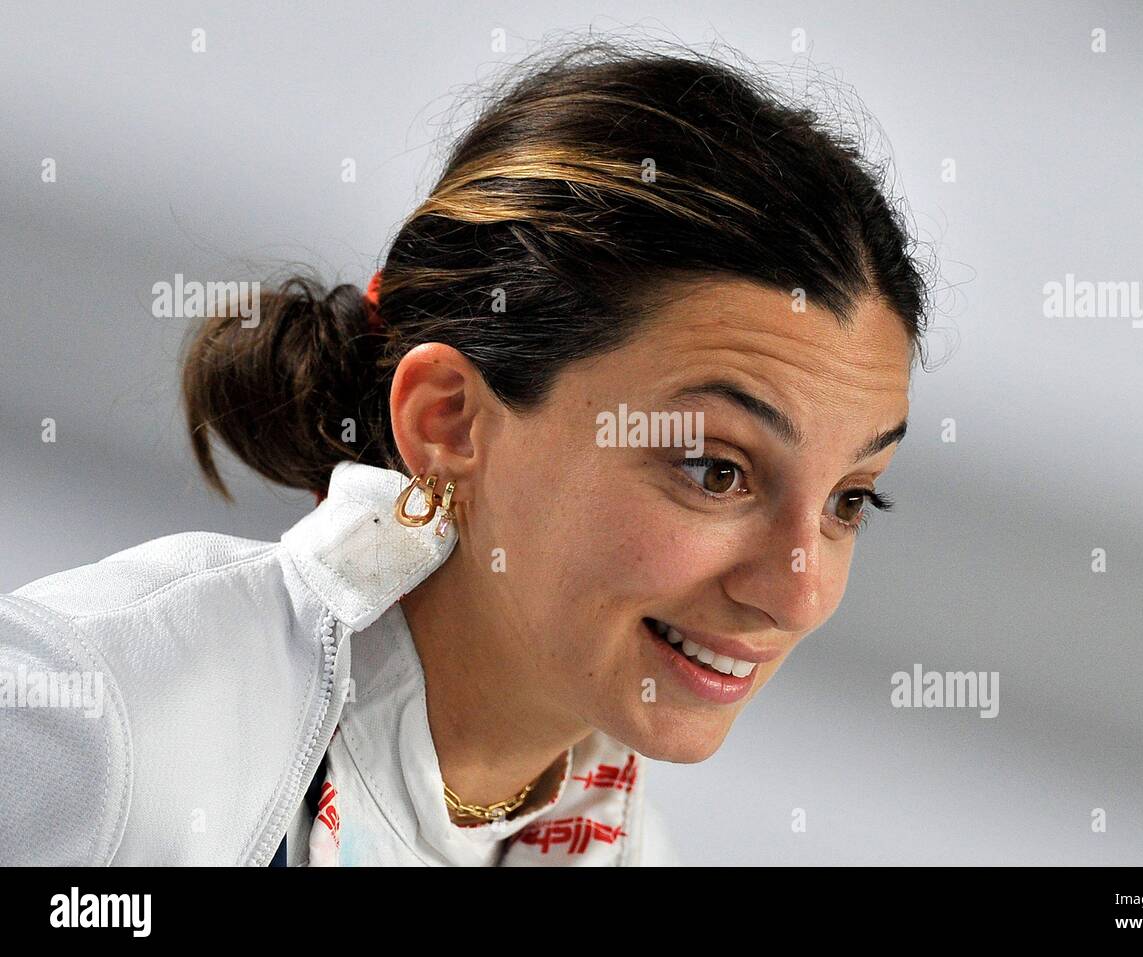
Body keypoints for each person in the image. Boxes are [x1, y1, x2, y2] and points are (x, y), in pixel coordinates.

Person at [0, 39, 929, 866]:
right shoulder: (99, 717)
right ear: (450, 420)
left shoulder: (612, 840)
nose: (798, 592)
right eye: (715, 470)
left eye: (851, 499)